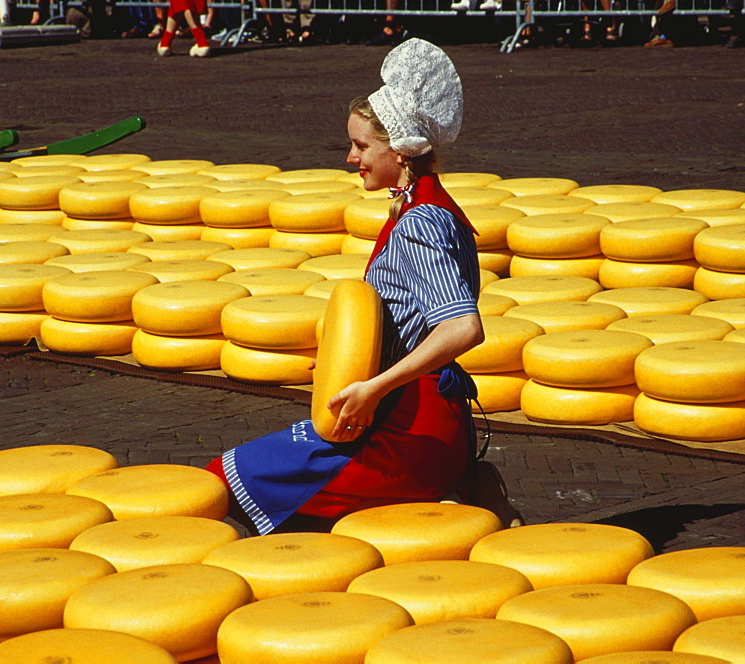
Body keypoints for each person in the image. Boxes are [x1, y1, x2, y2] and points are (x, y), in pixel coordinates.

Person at [206, 39, 514, 536]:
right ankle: (459, 490)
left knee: (222, 485)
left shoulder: (423, 223)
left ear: (400, 147)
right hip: (414, 417)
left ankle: (450, 491)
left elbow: (462, 328)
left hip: (408, 430)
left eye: (361, 146)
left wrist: (373, 387)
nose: (351, 158)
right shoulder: (432, 208)